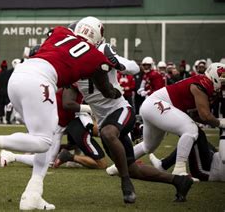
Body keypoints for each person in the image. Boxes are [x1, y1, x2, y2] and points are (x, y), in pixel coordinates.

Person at [0, 17, 123, 210]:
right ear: (98, 37)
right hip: (40, 81)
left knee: (43, 139)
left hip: (20, 76)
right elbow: (105, 89)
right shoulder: (96, 56)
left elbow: (58, 54)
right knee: (43, 142)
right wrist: (115, 92)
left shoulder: (59, 32)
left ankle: (33, 194)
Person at [75, 38, 193, 204]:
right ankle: (179, 181)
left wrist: (115, 63)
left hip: (121, 110)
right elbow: (67, 100)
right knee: (132, 169)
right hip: (103, 120)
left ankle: (125, 183)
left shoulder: (101, 52)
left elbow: (133, 67)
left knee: (108, 133)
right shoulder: (72, 64)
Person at [131, 62, 225, 176]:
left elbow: (197, 115)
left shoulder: (204, 84)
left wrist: (217, 121)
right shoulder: (203, 84)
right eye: (222, 79)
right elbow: (205, 115)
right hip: (157, 104)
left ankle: (118, 166)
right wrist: (220, 122)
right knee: (190, 129)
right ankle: (179, 170)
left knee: (148, 146)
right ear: (214, 76)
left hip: (155, 105)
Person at [0, 88, 107, 170]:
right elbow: (67, 104)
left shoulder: (79, 86)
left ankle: (71, 159)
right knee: (47, 161)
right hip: (54, 123)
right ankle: (11, 156)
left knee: (46, 147)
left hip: (61, 122)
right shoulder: (73, 85)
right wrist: (89, 109)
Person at [149, 128, 225, 182]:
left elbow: (224, 158)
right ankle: (163, 164)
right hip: (216, 160)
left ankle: (163, 165)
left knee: (194, 133)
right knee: (195, 132)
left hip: (210, 171)